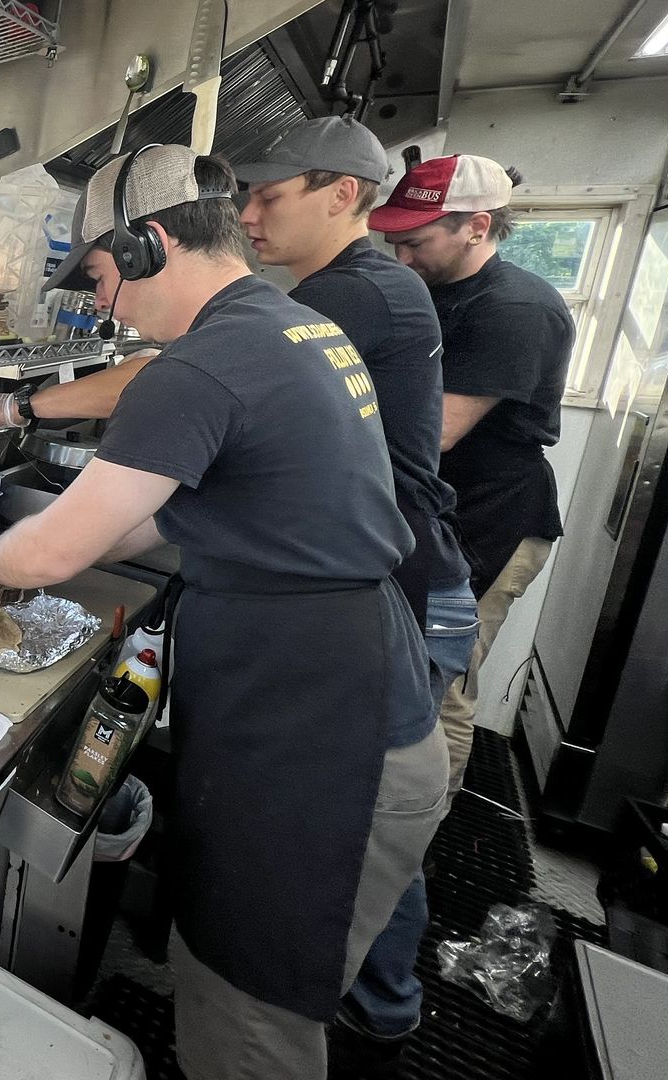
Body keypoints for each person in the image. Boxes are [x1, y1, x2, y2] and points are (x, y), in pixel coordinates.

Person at [0, 144, 444, 1080]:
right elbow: (150, 523)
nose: (101, 306)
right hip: (351, 697)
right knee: (245, 986)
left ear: (146, 246)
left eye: (99, 277)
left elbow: (55, 551)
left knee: (246, 1022)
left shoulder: (200, 368)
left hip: (322, 749)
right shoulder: (289, 326)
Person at [236, 116, 479, 1077]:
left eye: (270, 194)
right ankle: (379, 995)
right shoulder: (359, 286)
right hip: (401, 570)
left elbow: (202, 375)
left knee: (372, 809)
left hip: (405, 582)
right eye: (244, 198)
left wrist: (19, 401)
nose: (251, 215)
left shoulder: (355, 295)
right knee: (374, 806)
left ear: (343, 194)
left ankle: (379, 1004)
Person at [370, 155, 574, 797]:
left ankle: (415, 840)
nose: (401, 258)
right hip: (440, 517)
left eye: (416, 242)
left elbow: (433, 434)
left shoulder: (514, 308)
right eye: (392, 241)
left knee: (440, 689)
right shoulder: (433, 292)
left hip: (492, 522)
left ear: (477, 227)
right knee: (402, 675)